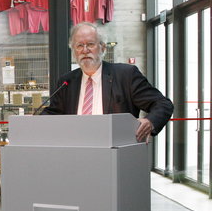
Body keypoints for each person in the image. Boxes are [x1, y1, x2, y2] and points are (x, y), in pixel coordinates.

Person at [41, 22, 174, 141]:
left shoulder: (126, 75)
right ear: (74, 51)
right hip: (76, 150)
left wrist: (150, 121)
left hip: (115, 151)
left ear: (103, 48)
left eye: (90, 44)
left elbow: (163, 104)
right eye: (79, 46)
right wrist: (31, 122)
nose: (85, 50)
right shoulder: (67, 82)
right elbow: (53, 113)